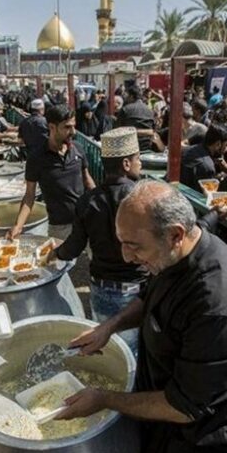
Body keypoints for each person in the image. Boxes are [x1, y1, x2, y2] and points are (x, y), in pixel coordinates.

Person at [57, 180, 227, 453]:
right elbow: (149, 296)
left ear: (175, 235)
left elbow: (184, 406)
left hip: (200, 440)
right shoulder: (174, 254)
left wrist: (104, 399)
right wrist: (110, 326)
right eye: (122, 243)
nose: (126, 257)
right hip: (164, 418)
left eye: (133, 247)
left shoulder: (221, 307)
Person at [49, 128, 146, 352]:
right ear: (126, 164)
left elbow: (73, 249)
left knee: (106, 349)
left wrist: (55, 253)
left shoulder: (87, 201)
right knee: (131, 354)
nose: (140, 163)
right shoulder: (141, 198)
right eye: (138, 158)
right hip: (136, 294)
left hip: (102, 290)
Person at [8, 105, 96, 240]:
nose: (73, 132)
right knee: (62, 261)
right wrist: (18, 226)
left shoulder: (78, 149)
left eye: (73, 126)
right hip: (60, 227)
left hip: (86, 219)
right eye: (67, 127)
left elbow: (87, 180)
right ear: (52, 127)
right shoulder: (36, 158)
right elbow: (29, 196)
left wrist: (102, 205)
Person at [179, 124, 227, 190]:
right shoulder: (207, 166)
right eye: (226, 145)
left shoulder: (186, 150)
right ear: (218, 144)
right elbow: (207, 192)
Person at [116, 86, 156, 152]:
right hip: (147, 147)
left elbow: (117, 129)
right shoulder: (150, 111)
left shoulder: (125, 109)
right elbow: (153, 129)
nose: (126, 98)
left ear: (131, 96)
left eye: (127, 95)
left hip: (129, 147)